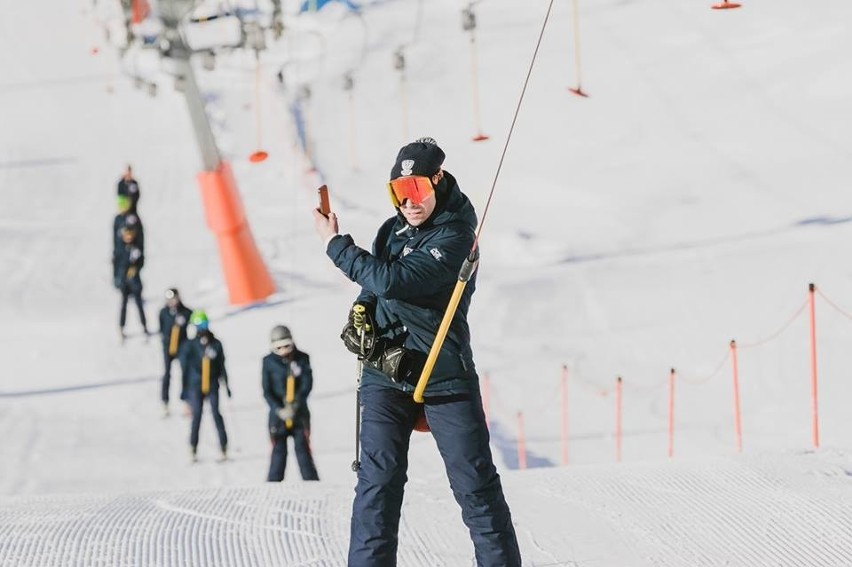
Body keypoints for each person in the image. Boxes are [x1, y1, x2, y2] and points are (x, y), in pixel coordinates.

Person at [312, 137, 521, 565]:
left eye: (417, 191)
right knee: (378, 483)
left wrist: (335, 245)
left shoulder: (457, 234)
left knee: (475, 486)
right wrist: (361, 311)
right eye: (398, 193)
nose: (408, 203)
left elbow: (395, 281)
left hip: (444, 374)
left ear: (437, 182)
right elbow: (376, 287)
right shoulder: (392, 230)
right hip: (386, 373)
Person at [262, 325, 320, 482]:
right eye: (279, 347)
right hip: (278, 417)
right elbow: (267, 391)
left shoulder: (302, 358)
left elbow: (307, 384)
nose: (284, 351)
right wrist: (279, 409)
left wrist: (296, 404)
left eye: (287, 346)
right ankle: (273, 486)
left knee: (303, 452)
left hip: (299, 414)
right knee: (278, 454)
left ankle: (313, 485)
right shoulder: (268, 362)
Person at [179, 310, 231, 462]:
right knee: (197, 416)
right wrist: (184, 391)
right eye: (199, 325)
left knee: (216, 413)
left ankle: (224, 446)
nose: (202, 328)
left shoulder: (216, 344)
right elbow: (185, 369)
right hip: (196, 384)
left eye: (204, 324)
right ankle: (193, 447)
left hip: (212, 383)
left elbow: (222, 365)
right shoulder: (190, 345)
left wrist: (226, 384)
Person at [158, 288, 193, 416]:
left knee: (185, 372)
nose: (172, 302)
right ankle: (165, 402)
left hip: (182, 346)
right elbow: (161, 329)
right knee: (167, 374)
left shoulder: (185, 312)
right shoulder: (163, 312)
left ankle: (187, 401)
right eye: (169, 299)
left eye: (174, 299)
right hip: (168, 347)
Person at [113, 223, 149, 342]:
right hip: (124, 282)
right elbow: (116, 264)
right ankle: (121, 327)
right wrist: (117, 279)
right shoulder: (120, 249)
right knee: (123, 305)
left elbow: (141, 262)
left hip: (135, 282)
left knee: (139, 305)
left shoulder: (136, 248)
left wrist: (135, 267)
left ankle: (144, 326)